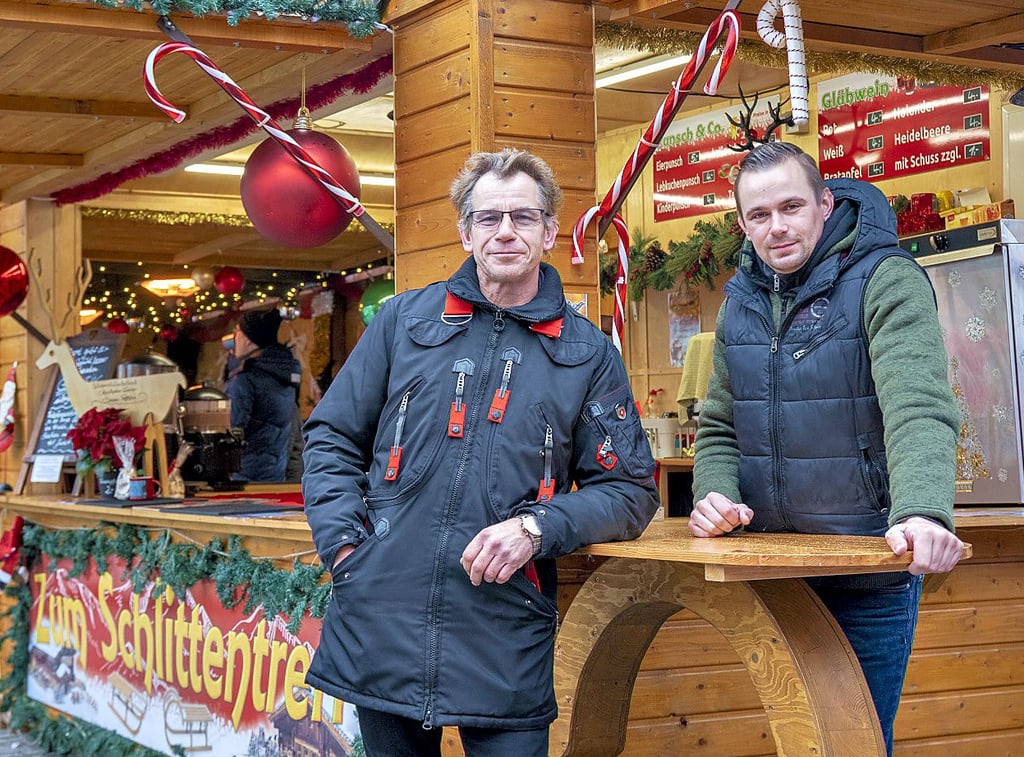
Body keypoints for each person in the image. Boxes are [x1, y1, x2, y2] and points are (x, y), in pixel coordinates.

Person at [302, 148, 659, 756]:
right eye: (488, 218)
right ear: (465, 231)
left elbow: (630, 491)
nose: (505, 232)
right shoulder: (403, 322)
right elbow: (331, 437)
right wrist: (344, 549)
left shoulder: (587, 353)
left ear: (549, 232)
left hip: (504, 625)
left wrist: (537, 527)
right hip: (382, 618)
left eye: (523, 217)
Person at [689, 141, 965, 754]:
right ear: (742, 224)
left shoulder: (885, 279)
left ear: (825, 203)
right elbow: (719, 429)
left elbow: (918, 406)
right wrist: (715, 494)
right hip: (776, 571)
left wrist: (923, 511)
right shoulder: (740, 304)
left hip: (867, 566)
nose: (777, 226)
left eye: (792, 207)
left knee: (854, 743)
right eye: (759, 215)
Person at [224, 307, 301, 482]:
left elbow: (230, 432)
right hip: (275, 476)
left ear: (250, 340)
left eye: (237, 331)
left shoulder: (244, 380)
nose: (234, 338)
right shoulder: (285, 376)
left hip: (243, 478)